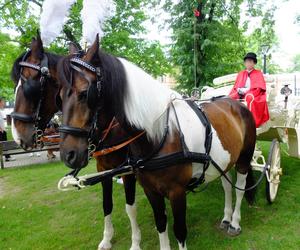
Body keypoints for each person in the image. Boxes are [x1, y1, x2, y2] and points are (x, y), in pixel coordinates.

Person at [229, 52, 270, 127]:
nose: (248, 63)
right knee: (229, 98)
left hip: (254, 93)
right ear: (245, 63)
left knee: (249, 97)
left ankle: (249, 122)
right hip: (240, 92)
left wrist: (247, 91)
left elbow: (258, 88)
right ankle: (230, 120)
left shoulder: (258, 73)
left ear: (254, 63)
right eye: (247, 61)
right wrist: (239, 90)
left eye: (250, 61)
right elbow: (236, 86)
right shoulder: (241, 73)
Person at [0, 97, 15, 161]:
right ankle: (6, 157)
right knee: (2, 144)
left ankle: (7, 157)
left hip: (3, 130)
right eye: (3, 102)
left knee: (5, 144)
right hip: (1, 130)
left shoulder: (1, 110)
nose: (4, 103)